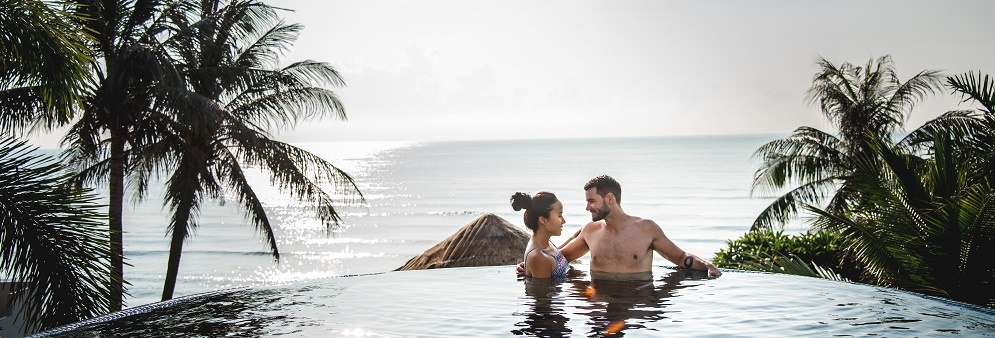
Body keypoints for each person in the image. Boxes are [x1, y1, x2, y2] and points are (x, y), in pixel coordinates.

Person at [518, 175, 721, 277]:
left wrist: (706, 265)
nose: (587, 208)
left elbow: (680, 257)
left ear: (609, 199)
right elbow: (560, 259)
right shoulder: (591, 231)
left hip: (634, 305)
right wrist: (530, 267)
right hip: (597, 309)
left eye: (591, 201)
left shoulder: (646, 229)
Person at [511, 191, 575, 280]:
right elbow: (543, 292)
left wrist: (573, 238)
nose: (564, 221)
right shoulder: (538, 257)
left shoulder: (545, 244)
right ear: (543, 220)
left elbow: (556, 255)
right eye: (559, 216)